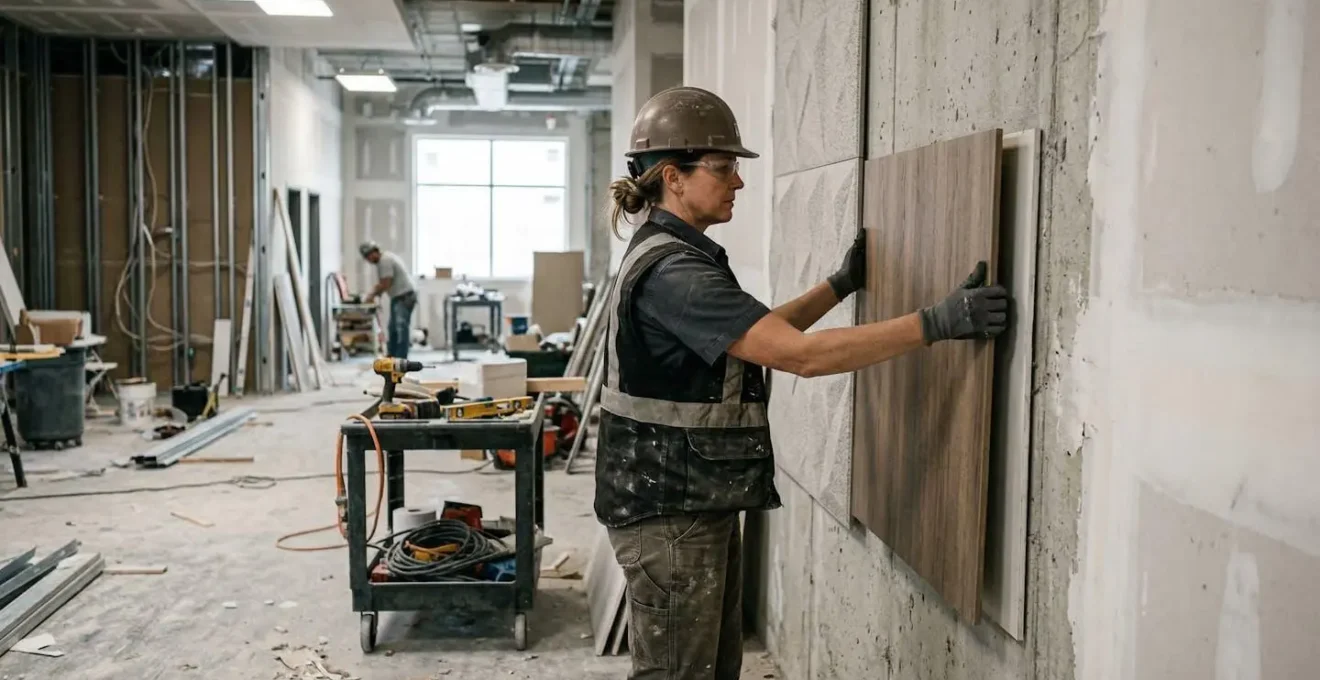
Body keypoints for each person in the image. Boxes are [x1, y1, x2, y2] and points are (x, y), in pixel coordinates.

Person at [598, 86, 1010, 680]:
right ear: (674, 177)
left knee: (710, 668)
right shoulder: (677, 274)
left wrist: (839, 286)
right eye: (724, 167)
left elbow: (757, 337)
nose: (737, 181)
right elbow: (801, 357)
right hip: (669, 512)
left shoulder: (673, 255)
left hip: (684, 499)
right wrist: (937, 323)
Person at [358, 241, 417, 359]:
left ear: (374, 252)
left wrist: (371, 296)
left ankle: (400, 359)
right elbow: (384, 284)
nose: (368, 260)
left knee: (401, 328)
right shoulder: (384, 259)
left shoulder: (384, 261)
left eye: (368, 257)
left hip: (404, 296)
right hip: (399, 296)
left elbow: (386, 283)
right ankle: (392, 357)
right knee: (393, 328)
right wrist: (376, 294)